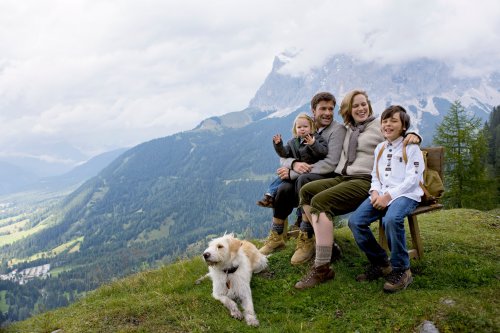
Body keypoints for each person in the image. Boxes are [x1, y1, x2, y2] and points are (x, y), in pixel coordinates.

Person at [294, 90, 421, 290]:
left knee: (320, 202)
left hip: (364, 181)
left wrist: (414, 134)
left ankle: (322, 267)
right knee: (307, 191)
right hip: (344, 177)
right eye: (355, 106)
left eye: (364, 104)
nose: (361, 108)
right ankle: (328, 246)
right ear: (348, 111)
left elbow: (399, 132)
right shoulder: (348, 128)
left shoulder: (378, 126)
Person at [259, 92, 347, 265]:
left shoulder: (337, 130)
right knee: (283, 188)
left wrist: (293, 172)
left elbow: (330, 163)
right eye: (323, 109)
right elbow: (285, 156)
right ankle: (276, 236)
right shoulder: (305, 127)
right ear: (314, 111)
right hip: (304, 176)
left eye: (331, 109)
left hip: (327, 178)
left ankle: (306, 236)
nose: (328, 113)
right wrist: (293, 164)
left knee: (301, 180)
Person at [348, 105, 424, 293]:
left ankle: (401, 269)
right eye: (385, 121)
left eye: (393, 121)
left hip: (407, 194)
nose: (387, 124)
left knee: (392, 218)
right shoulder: (380, 148)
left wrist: (388, 197)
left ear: (404, 126)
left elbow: (413, 179)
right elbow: (375, 174)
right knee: (355, 222)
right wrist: (375, 193)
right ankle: (381, 263)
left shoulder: (411, 146)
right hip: (382, 194)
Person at [257, 113, 328, 208]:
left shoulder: (317, 139)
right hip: (296, 170)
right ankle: (269, 196)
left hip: (310, 172)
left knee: (302, 190)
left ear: (311, 127)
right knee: (281, 179)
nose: (302, 129)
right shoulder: (293, 142)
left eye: (305, 126)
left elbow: (323, 152)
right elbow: (284, 153)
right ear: (295, 129)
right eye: (299, 127)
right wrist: (278, 145)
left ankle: (301, 213)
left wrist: (313, 144)